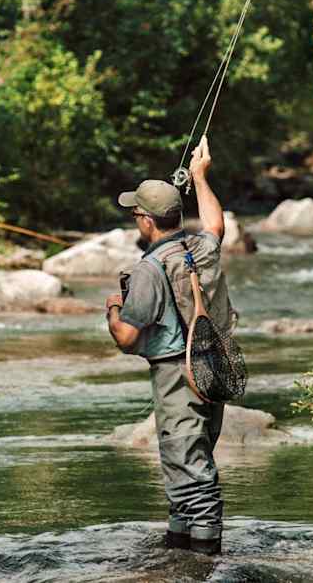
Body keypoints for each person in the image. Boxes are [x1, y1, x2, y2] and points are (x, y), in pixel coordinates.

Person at [106, 137, 237, 555]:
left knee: (188, 465)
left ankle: (204, 561)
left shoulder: (149, 269)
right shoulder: (202, 248)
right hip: (212, 367)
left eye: (136, 213)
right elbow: (216, 224)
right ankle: (178, 550)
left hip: (176, 375)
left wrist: (113, 308)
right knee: (190, 460)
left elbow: (127, 338)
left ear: (146, 221)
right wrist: (200, 176)